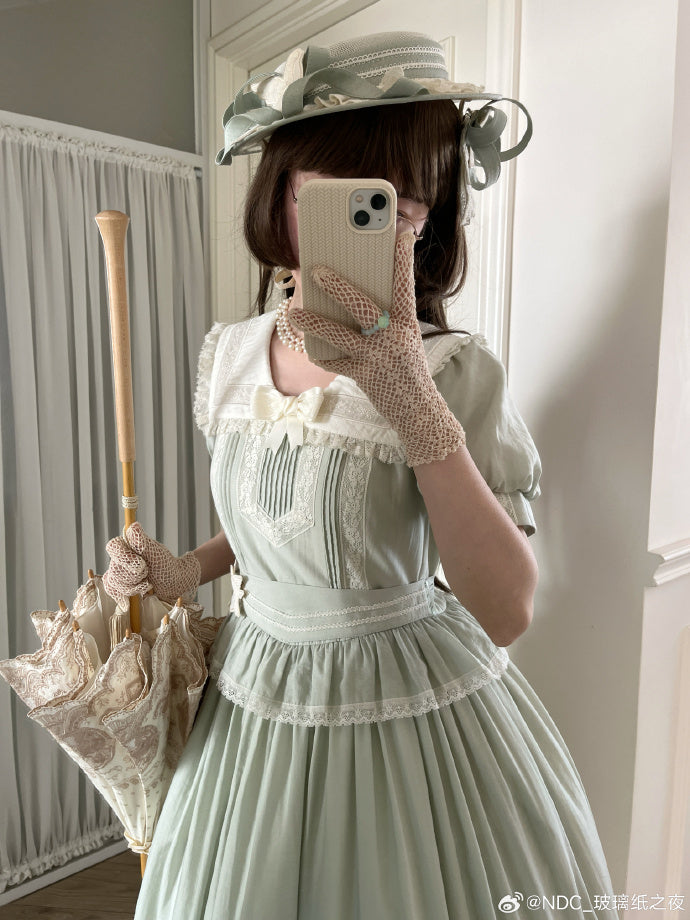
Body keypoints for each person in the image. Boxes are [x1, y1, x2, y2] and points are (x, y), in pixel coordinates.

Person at [104, 31, 620, 920]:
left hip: (406, 704)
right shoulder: (230, 356)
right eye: (345, 193)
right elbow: (287, 520)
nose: (388, 217)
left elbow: (505, 610)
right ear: (284, 193)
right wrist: (188, 568)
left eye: (404, 203)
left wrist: (410, 397)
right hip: (251, 699)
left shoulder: (453, 369)